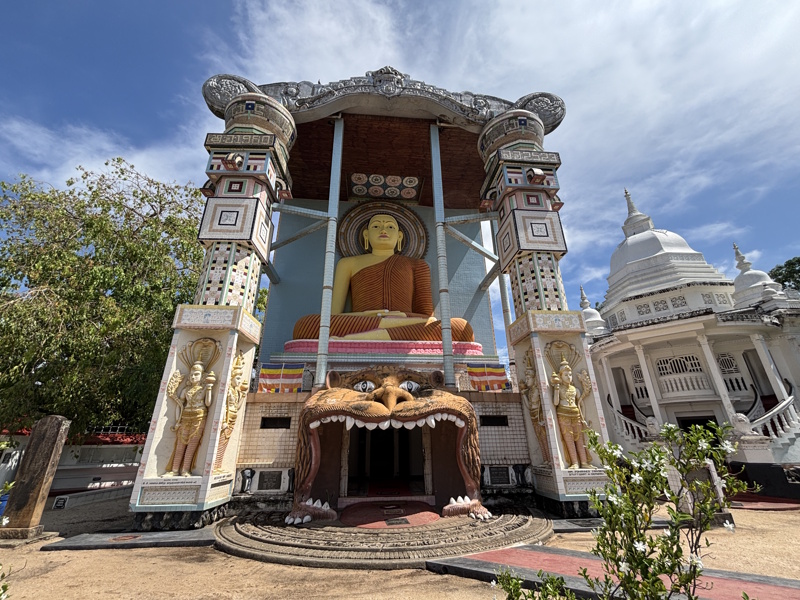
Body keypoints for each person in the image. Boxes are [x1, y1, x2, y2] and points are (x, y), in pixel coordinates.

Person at [292, 214, 474, 342]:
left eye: (390, 227)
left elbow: (427, 319)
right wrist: (375, 316)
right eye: (376, 226)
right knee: (305, 325)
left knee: (460, 328)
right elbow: (333, 317)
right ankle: (372, 333)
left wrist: (400, 316)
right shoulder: (348, 263)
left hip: (408, 322)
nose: (383, 230)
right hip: (362, 322)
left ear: (400, 236)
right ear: (366, 235)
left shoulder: (418, 265)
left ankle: (361, 339)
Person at [165, 362, 216, 476]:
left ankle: (185, 470)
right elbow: (180, 405)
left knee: (192, 445)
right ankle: (174, 470)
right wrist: (178, 421)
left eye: (196, 374)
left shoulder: (203, 389)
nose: (193, 377)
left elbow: (208, 403)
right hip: (185, 417)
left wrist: (209, 388)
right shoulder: (185, 390)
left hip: (199, 416)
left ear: (202, 376)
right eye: (192, 375)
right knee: (180, 444)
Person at [550, 358, 592, 469]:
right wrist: (556, 389)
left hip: (576, 415)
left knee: (580, 439)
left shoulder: (575, 389)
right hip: (563, 415)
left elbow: (581, 404)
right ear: (560, 376)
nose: (569, 377)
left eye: (570, 375)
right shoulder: (559, 388)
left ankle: (584, 462)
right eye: (566, 375)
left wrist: (583, 418)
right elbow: (555, 402)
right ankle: (574, 462)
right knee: (568, 439)